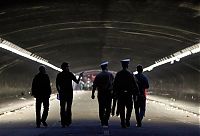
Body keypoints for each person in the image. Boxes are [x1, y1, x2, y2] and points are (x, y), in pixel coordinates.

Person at [113, 59, 139, 128]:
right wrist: (136, 93)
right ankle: (127, 120)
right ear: (127, 65)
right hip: (129, 94)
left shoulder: (118, 74)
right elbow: (135, 84)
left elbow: (115, 84)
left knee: (121, 108)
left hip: (120, 94)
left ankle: (122, 122)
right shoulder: (130, 74)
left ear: (122, 65)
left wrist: (115, 93)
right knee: (129, 108)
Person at [56, 62, 83, 127]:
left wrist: (59, 91)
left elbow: (57, 84)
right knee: (68, 107)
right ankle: (68, 121)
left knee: (62, 108)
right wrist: (80, 76)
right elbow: (77, 81)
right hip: (69, 93)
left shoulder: (59, 75)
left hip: (62, 93)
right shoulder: (69, 74)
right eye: (68, 67)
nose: (68, 68)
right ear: (65, 67)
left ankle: (63, 122)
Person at [91, 61, 114, 127]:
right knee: (108, 107)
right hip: (108, 93)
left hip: (101, 93)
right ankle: (106, 120)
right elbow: (113, 84)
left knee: (101, 107)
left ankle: (102, 120)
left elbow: (94, 85)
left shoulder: (98, 75)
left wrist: (93, 94)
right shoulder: (110, 75)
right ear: (106, 67)